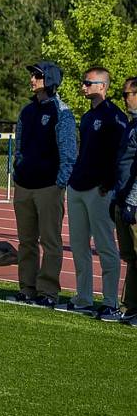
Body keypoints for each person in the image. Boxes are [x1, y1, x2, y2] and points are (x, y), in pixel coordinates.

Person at [7, 61, 77, 307]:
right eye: (32, 75)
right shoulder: (26, 111)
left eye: (37, 75)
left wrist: (59, 183)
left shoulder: (62, 112)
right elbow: (20, 146)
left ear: (49, 79)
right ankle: (27, 288)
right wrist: (18, 170)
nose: (32, 79)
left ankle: (48, 292)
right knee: (26, 241)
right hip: (24, 185)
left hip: (49, 187)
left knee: (50, 241)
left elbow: (69, 152)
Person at [59, 67, 126, 319]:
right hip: (77, 186)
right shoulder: (87, 118)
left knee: (105, 246)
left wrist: (108, 183)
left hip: (99, 190)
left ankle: (110, 301)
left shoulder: (114, 116)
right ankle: (83, 297)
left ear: (103, 86)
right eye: (83, 82)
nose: (83, 86)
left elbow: (120, 156)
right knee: (78, 245)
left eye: (88, 82)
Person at [113, 77, 137, 324]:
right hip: (123, 199)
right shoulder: (132, 125)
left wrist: (131, 200)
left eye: (127, 94)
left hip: (134, 202)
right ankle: (130, 306)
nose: (125, 99)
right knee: (131, 258)